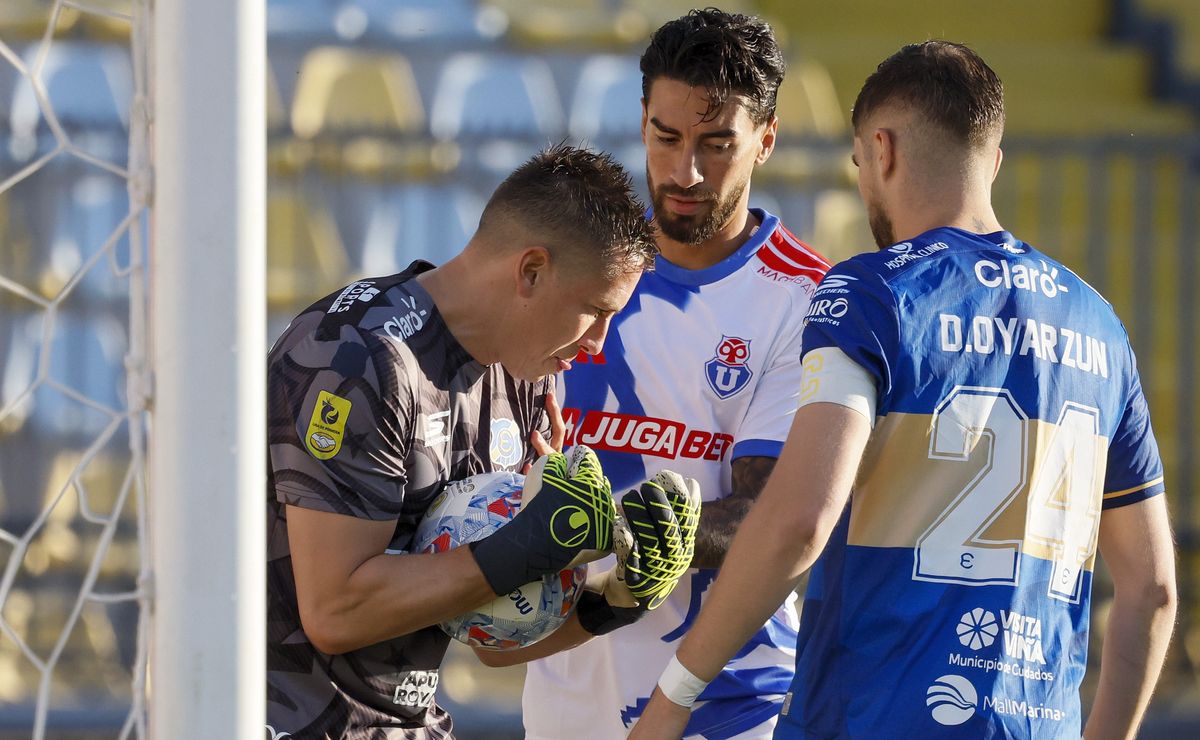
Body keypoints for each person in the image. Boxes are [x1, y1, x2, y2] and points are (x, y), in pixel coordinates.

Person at [631, 40, 1178, 739]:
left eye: (859, 163)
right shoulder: (1100, 326)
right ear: (994, 161)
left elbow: (800, 518)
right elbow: (1153, 590)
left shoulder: (873, 291)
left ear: (881, 150)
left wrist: (676, 693)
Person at [265, 143, 701, 738]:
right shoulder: (358, 359)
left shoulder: (525, 376)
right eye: (595, 312)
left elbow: (491, 632)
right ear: (530, 271)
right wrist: (524, 546)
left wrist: (613, 597)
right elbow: (335, 611)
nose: (599, 345)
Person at [482, 10, 833, 739]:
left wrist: (602, 528)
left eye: (716, 145)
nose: (685, 172)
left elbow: (765, 517)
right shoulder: (567, 267)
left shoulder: (809, 301)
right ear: (642, 120)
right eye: (667, 138)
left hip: (725, 703)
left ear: (766, 140)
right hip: (565, 693)